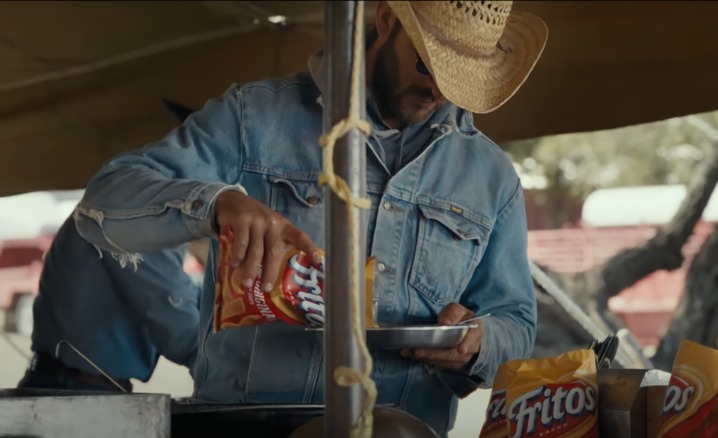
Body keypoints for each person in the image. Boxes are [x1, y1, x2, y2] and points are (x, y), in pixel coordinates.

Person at [73, 1, 547, 434]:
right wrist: (216, 204)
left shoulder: (491, 177)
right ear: (386, 19)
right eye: (428, 64)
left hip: (400, 431)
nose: (438, 90)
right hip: (247, 427)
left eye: (460, 80)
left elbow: (518, 327)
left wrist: (476, 342)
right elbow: (102, 205)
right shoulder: (254, 118)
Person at [17, 215, 201, 392]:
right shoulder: (136, 209)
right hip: (75, 389)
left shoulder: (138, 205)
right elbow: (171, 309)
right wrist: (218, 366)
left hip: (77, 383)